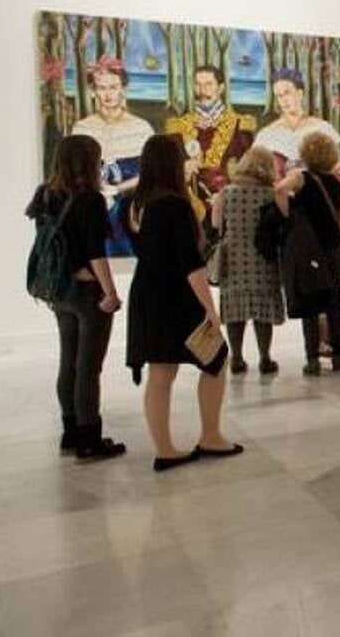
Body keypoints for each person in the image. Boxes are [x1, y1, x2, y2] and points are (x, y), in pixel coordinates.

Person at [125, 134, 242, 472]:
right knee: (216, 359)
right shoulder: (173, 205)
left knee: (161, 371)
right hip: (175, 296)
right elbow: (190, 263)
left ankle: (166, 448)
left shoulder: (137, 204)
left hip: (148, 292)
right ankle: (210, 435)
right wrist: (210, 308)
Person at [25, 135, 125, 460]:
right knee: (88, 367)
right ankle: (89, 438)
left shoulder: (45, 193)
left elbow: (49, 243)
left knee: (68, 361)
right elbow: (96, 252)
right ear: (89, 161)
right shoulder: (90, 199)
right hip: (87, 293)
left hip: (59, 290)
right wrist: (110, 292)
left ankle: (70, 433)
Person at [274, 132, 340, 376]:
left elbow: (279, 190)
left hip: (309, 250)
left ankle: (313, 359)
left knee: (310, 301)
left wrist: (287, 216)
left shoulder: (300, 177)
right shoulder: (336, 183)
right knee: (334, 301)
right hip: (334, 248)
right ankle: (339, 356)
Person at [211, 146, 285, 375]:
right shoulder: (271, 194)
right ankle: (265, 358)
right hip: (264, 259)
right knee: (263, 311)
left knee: (236, 310)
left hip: (233, 258)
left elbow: (215, 224)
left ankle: (236, 358)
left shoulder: (226, 193)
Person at [71, 56, 154, 257]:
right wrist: (98, 190)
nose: (108, 94)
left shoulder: (141, 128)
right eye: (102, 88)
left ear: (123, 89)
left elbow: (151, 173)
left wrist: (117, 189)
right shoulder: (82, 128)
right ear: (93, 91)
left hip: (131, 203)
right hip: (92, 200)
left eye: (113, 87)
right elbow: (75, 171)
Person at [164, 64, 256, 193]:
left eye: (209, 84)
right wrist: (182, 167)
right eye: (198, 84)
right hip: (185, 196)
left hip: (227, 197)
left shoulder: (239, 125)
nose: (203, 90)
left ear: (221, 88)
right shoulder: (178, 126)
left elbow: (250, 171)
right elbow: (166, 166)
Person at [254, 69, 340, 176]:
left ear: (300, 94)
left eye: (287, 93)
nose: (284, 100)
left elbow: (337, 168)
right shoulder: (266, 135)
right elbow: (256, 171)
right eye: (279, 96)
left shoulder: (323, 128)